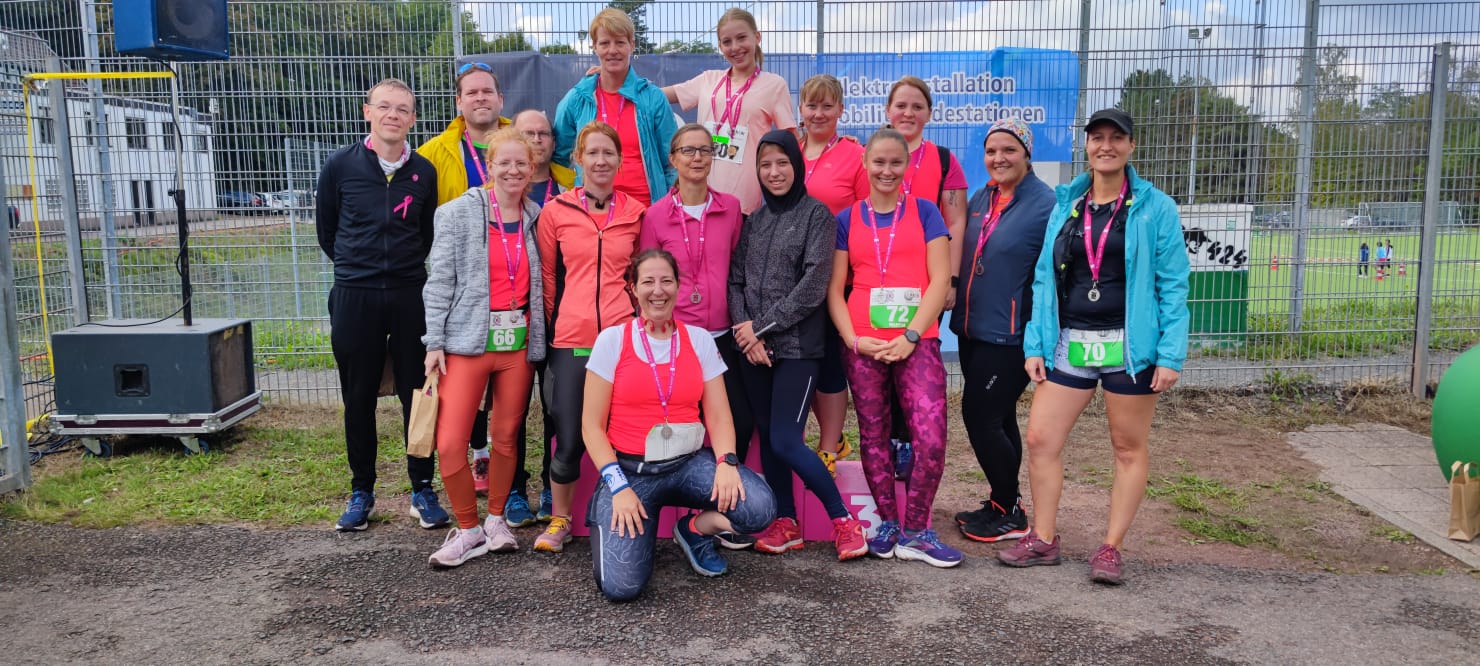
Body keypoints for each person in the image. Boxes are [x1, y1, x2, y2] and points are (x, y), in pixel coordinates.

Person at [1000, 108, 1190, 586]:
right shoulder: (1067, 202)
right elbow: (1043, 278)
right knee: (1041, 439)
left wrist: (1170, 355)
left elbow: (1173, 285)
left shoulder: (1155, 207)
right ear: (1086, 146)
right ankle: (1043, 538)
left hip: (1131, 347)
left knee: (1127, 447)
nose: (1106, 146)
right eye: (1097, 137)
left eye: (1116, 138)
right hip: (1070, 341)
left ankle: (1111, 547)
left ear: (1131, 146)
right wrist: (1036, 343)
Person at [583, 249, 776, 601]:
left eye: (667, 281)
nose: (658, 291)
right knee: (621, 588)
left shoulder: (699, 340)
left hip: (688, 464)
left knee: (760, 507)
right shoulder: (612, 340)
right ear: (632, 289)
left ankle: (694, 530)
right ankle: (624, 517)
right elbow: (591, 427)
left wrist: (727, 462)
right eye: (648, 282)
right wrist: (618, 487)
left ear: (678, 286)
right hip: (631, 473)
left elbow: (719, 416)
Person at [315, 78, 448, 532]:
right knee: (358, 396)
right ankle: (361, 491)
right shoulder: (340, 166)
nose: (393, 115)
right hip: (355, 294)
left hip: (410, 295)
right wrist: (360, 268)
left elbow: (425, 235)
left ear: (413, 118)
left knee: (419, 394)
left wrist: (401, 270)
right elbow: (327, 231)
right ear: (367, 111)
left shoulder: (424, 171)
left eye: (402, 109)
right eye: (385, 107)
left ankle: (422, 488)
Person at [729, 129, 867, 560]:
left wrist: (761, 327)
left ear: (797, 165)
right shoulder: (754, 221)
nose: (774, 172)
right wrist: (745, 331)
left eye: (782, 163)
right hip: (753, 350)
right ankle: (786, 522)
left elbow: (812, 287)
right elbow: (736, 281)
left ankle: (845, 521)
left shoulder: (817, 216)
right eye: (765, 165)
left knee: (787, 439)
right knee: (770, 437)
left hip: (797, 349)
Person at [827, 127, 961, 568]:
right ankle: (887, 523)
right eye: (879, 162)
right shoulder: (847, 219)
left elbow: (939, 280)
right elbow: (835, 290)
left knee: (931, 436)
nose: (887, 170)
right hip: (863, 341)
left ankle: (916, 530)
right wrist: (853, 339)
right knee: (873, 433)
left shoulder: (925, 212)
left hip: (916, 340)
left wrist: (911, 337)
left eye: (896, 162)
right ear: (865, 164)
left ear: (907, 166)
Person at [420, 128, 546, 567]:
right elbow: (439, 281)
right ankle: (468, 528)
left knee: (507, 437)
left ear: (532, 169)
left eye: (521, 163)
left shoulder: (536, 217)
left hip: (516, 345)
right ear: (489, 166)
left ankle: (496, 520)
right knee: (451, 441)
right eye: (503, 163)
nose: (513, 170)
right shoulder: (456, 213)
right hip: (466, 342)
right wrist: (434, 341)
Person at [638, 124, 757, 552]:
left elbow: (740, 270)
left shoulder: (731, 208)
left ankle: (717, 513)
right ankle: (686, 509)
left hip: (723, 335)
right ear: (673, 158)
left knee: (739, 420)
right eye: (687, 150)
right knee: (685, 426)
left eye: (705, 150)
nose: (697, 158)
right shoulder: (655, 216)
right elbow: (648, 276)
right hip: (679, 338)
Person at [535, 121, 645, 552]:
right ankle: (560, 519)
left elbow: (641, 277)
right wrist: (557, 328)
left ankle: (627, 517)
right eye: (592, 153)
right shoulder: (556, 211)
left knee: (627, 435)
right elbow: (548, 278)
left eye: (608, 153)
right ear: (578, 159)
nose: (601, 161)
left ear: (620, 160)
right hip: (572, 342)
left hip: (621, 340)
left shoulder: (636, 212)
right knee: (569, 437)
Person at [949, 117, 1054, 543]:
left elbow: (1052, 274)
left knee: (980, 415)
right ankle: (1002, 503)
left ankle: (1010, 510)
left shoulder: (1045, 204)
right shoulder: (982, 197)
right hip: (972, 328)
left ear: (1027, 154)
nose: (999, 158)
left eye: (1009, 149)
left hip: (1011, 335)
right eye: (991, 151)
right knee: (999, 416)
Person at [417, 63, 515, 514]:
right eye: (471, 92)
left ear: (500, 98)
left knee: (508, 419)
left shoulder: (519, 142)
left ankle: (507, 496)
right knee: (459, 416)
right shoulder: (435, 152)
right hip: (464, 297)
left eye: (487, 91)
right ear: (459, 102)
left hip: (511, 301)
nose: (480, 98)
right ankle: (469, 490)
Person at [882, 76, 969, 480]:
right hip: (878, 284)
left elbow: (956, 220)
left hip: (926, 285)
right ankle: (886, 444)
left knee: (915, 365)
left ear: (929, 113)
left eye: (917, 106)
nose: (908, 113)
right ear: (887, 111)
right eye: (901, 105)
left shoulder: (944, 160)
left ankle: (910, 444)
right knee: (880, 369)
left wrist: (951, 280)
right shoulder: (872, 154)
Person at [499, 109, 577, 527]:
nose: (537, 139)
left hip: (555, 316)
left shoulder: (570, 188)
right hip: (512, 316)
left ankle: (550, 486)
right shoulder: (502, 192)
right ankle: (513, 491)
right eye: (527, 133)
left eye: (544, 133)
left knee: (554, 411)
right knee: (510, 412)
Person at [798, 73, 869, 477]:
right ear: (801, 109)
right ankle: (832, 437)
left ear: (841, 109)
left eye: (828, 106)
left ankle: (828, 448)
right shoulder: (789, 149)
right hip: (792, 280)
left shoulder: (855, 155)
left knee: (827, 363)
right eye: (812, 105)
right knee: (799, 362)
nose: (819, 113)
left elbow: (866, 217)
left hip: (835, 278)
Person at [664, 8, 796, 214]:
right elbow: (660, 95)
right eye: (727, 42)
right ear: (720, 46)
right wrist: (621, 83)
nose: (735, 47)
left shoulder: (774, 85)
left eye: (741, 38)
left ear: (757, 37)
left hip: (743, 201)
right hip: (699, 195)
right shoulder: (708, 79)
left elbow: (791, 139)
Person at [553, 8, 677, 204]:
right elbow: (558, 156)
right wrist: (574, 192)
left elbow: (672, 161)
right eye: (604, 43)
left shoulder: (653, 98)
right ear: (595, 47)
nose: (612, 50)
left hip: (644, 208)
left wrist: (666, 206)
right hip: (592, 210)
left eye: (620, 42)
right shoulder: (577, 98)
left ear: (632, 45)